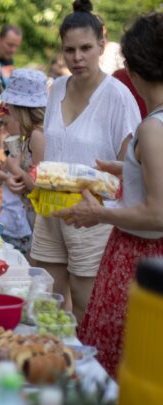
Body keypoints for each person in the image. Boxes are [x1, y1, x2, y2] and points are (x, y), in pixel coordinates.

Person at [54, 12, 163, 377]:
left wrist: (99, 214)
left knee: (114, 362)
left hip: (138, 257)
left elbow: (158, 214)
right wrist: (128, 170)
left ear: (132, 68)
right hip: (146, 258)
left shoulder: (152, 128)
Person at [31, 0, 140, 323]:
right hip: (49, 209)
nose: (77, 58)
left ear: (101, 46)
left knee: (84, 307)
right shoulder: (57, 88)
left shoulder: (118, 96)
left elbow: (129, 168)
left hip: (92, 215)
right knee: (43, 300)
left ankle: (80, 370)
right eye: (69, 50)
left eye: (85, 48)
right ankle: (46, 365)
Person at [0, 69, 49, 254]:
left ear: (19, 107)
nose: (7, 107)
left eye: (9, 104)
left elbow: (37, 185)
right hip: (31, 216)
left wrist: (12, 167)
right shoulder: (29, 135)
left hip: (42, 220)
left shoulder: (37, 135)